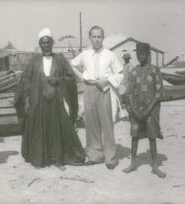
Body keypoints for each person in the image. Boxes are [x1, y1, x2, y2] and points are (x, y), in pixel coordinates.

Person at [14, 28, 85, 170]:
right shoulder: (34, 61)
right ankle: (41, 159)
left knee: (57, 129)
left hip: (56, 101)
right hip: (38, 102)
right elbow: (26, 80)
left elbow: (71, 78)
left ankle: (58, 158)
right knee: (39, 130)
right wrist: (26, 99)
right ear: (40, 45)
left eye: (48, 42)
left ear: (52, 43)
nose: (45, 45)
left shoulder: (60, 59)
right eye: (43, 43)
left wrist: (58, 79)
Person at [71, 26, 124, 169]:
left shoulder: (110, 55)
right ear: (90, 38)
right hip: (89, 89)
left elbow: (120, 73)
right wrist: (82, 78)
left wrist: (107, 80)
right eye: (94, 37)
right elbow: (73, 64)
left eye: (99, 37)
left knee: (107, 124)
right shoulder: (85, 54)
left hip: (104, 89)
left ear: (103, 38)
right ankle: (95, 155)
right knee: (91, 124)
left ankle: (110, 158)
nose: (96, 39)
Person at [122, 42, 166, 178]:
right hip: (136, 111)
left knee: (152, 137)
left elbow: (159, 92)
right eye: (138, 54)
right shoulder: (133, 72)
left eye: (143, 54)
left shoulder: (154, 70)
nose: (140, 56)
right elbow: (128, 93)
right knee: (134, 137)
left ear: (147, 54)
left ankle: (155, 166)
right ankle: (133, 163)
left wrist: (149, 109)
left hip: (151, 111)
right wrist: (133, 110)